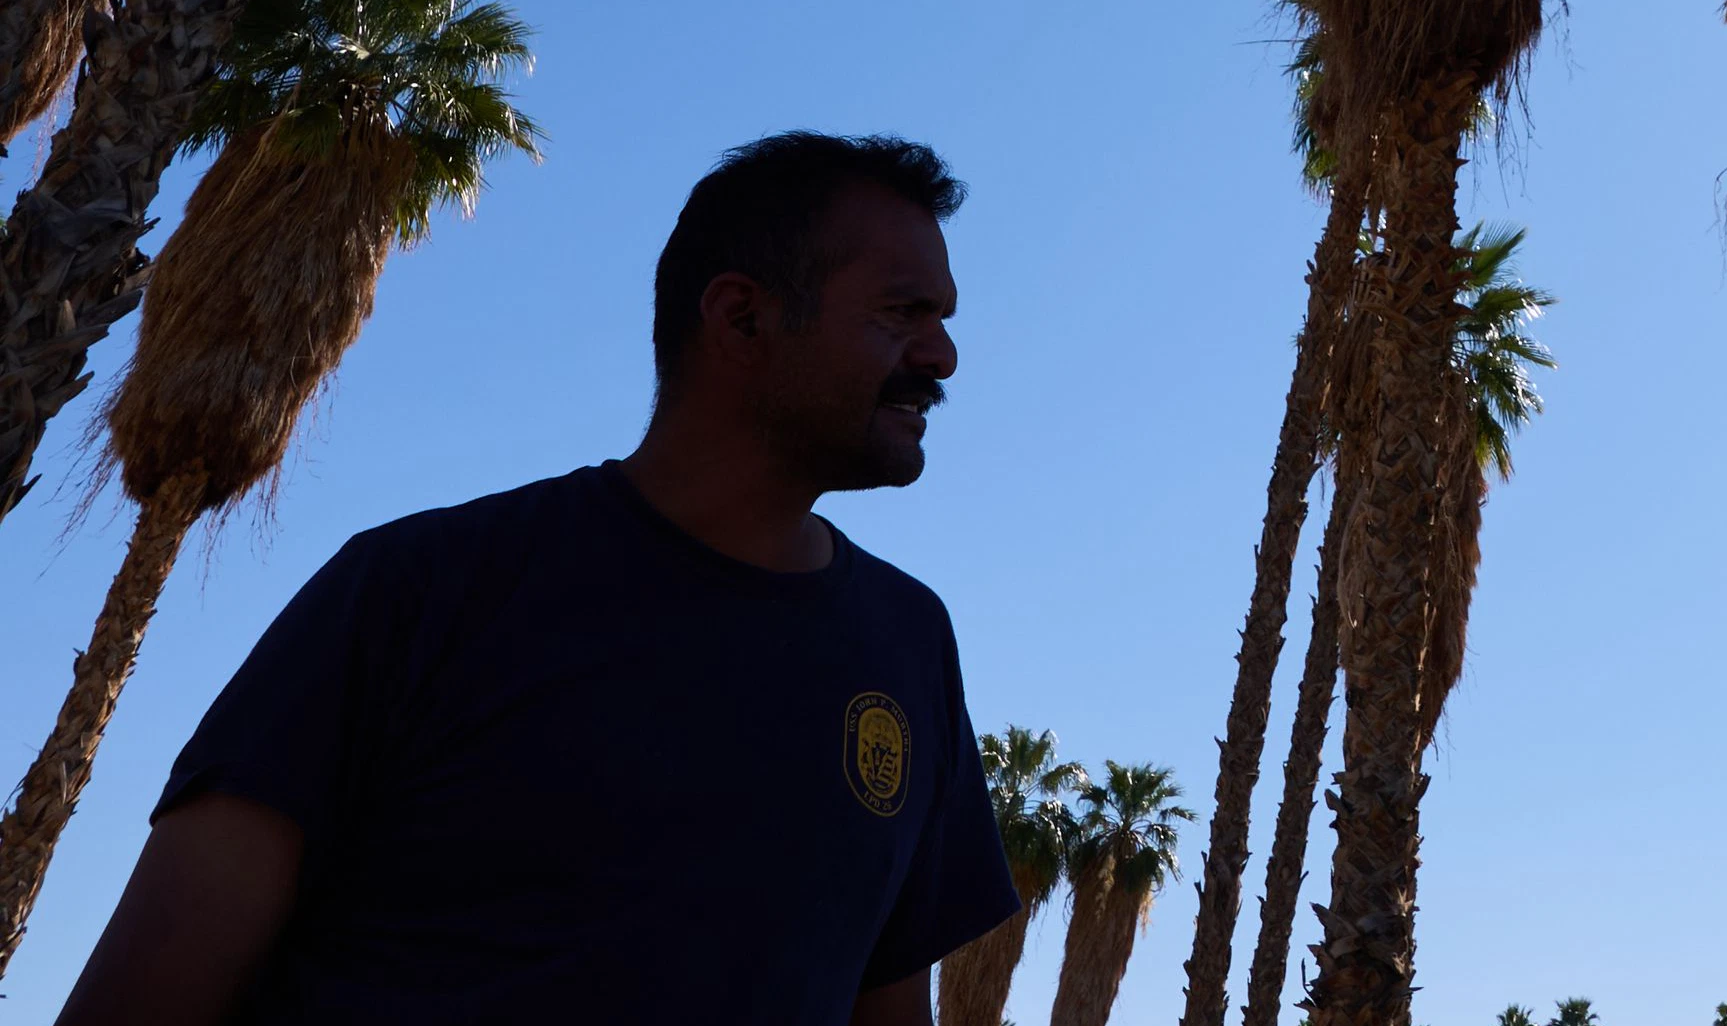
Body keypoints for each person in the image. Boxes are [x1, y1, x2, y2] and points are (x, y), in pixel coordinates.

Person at [56, 132, 1019, 1025]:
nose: (941, 355)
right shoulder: (422, 589)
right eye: (903, 313)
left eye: (939, 318)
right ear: (741, 315)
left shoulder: (907, 642)